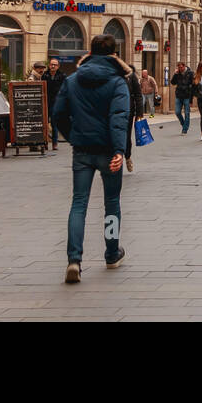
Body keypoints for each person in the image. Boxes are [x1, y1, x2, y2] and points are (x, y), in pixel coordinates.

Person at [56, 33, 130, 284]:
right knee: (111, 203)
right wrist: (120, 150)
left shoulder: (73, 79)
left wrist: (73, 135)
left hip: (82, 150)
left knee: (78, 204)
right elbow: (119, 118)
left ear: (90, 51)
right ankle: (111, 253)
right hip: (109, 151)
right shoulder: (118, 82)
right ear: (113, 54)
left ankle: (74, 260)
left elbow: (58, 114)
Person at [115, 57, 143, 173]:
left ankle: (127, 156)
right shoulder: (112, 77)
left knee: (126, 137)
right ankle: (116, 159)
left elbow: (138, 95)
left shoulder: (131, 76)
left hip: (128, 111)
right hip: (113, 112)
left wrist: (139, 113)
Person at [44, 59, 67, 150]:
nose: (53, 66)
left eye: (55, 65)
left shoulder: (62, 76)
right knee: (45, 123)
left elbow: (64, 89)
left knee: (54, 124)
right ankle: (45, 143)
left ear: (58, 66)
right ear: (49, 65)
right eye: (51, 64)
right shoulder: (45, 75)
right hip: (46, 101)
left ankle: (54, 143)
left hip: (56, 102)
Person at [169, 61, 195, 135]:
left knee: (187, 113)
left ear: (184, 66)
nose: (180, 69)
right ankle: (184, 124)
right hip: (179, 95)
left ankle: (184, 130)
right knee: (177, 112)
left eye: (181, 67)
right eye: (179, 68)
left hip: (187, 96)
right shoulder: (178, 74)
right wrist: (175, 74)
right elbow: (173, 82)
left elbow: (193, 87)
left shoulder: (190, 73)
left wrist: (191, 100)